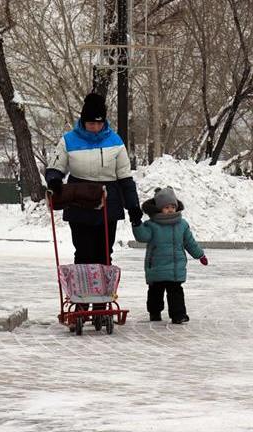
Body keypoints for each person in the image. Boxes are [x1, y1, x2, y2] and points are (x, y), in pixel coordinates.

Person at [45, 93, 143, 265]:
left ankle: (103, 290)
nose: (96, 127)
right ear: (83, 121)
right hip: (78, 201)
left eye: (99, 123)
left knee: (104, 253)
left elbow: (125, 178)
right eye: (91, 123)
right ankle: (81, 290)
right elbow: (55, 166)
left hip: (108, 203)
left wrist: (133, 206)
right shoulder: (68, 140)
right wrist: (54, 180)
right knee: (83, 252)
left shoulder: (115, 141)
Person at [132, 186, 208, 324]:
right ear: (159, 208)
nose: (170, 209)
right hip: (157, 266)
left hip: (175, 267)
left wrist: (200, 255)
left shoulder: (182, 225)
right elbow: (142, 236)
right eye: (166, 207)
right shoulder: (152, 225)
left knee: (176, 292)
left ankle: (178, 315)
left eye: (173, 206)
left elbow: (189, 242)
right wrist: (137, 223)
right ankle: (154, 312)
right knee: (155, 292)